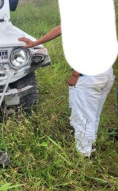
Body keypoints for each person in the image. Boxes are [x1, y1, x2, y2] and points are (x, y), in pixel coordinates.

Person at [18, 26, 115, 157]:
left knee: (83, 118)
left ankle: (83, 155)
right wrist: (35, 43)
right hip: (105, 74)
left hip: (88, 77)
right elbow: (60, 29)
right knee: (92, 115)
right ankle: (89, 145)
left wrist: (76, 74)